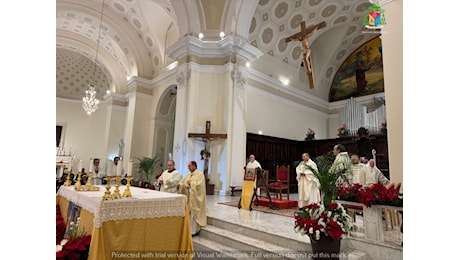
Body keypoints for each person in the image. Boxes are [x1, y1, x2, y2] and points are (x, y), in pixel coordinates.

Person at [178, 161, 207, 236]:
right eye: (188, 166)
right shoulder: (188, 175)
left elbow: (200, 186)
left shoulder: (200, 175)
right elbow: (183, 183)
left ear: (194, 166)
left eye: (189, 166)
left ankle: (193, 231)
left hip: (195, 199)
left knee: (194, 214)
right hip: (189, 199)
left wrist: (191, 184)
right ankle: (188, 230)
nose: (188, 168)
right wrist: (181, 185)